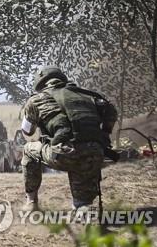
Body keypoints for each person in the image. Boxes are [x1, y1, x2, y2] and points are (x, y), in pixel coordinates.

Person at [21, 66, 117, 211]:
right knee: (82, 204)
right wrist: (104, 133)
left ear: (40, 84)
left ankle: (31, 202)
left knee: (28, 150)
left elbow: (27, 131)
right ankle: (83, 209)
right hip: (95, 154)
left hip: (64, 154)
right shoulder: (87, 95)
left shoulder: (36, 100)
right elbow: (111, 111)